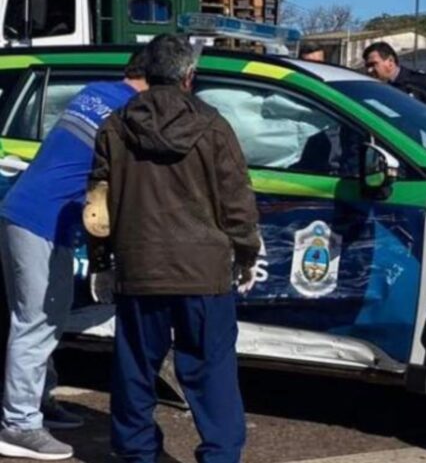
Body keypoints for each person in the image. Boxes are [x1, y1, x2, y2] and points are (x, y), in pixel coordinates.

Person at [88, 34, 261, 463]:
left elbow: (98, 202)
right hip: (204, 271)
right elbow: (237, 202)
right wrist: (246, 255)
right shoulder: (213, 125)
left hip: (139, 266)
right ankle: (220, 455)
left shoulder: (115, 125)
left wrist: (100, 261)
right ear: (189, 76)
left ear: (146, 73)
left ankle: (136, 453)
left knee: (135, 370)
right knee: (211, 370)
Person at [0, 49, 149, 460]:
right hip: (41, 221)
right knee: (36, 321)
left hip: (28, 212)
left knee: (50, 314)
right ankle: (18, 424)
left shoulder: (96, 91)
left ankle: (39, 400)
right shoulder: (129, 111)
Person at [362, 41, 426, 121]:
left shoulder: (419, 83)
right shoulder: (378, 88)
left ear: (390, 61)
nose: (369, 70)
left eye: (373, 64)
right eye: (367, 66)